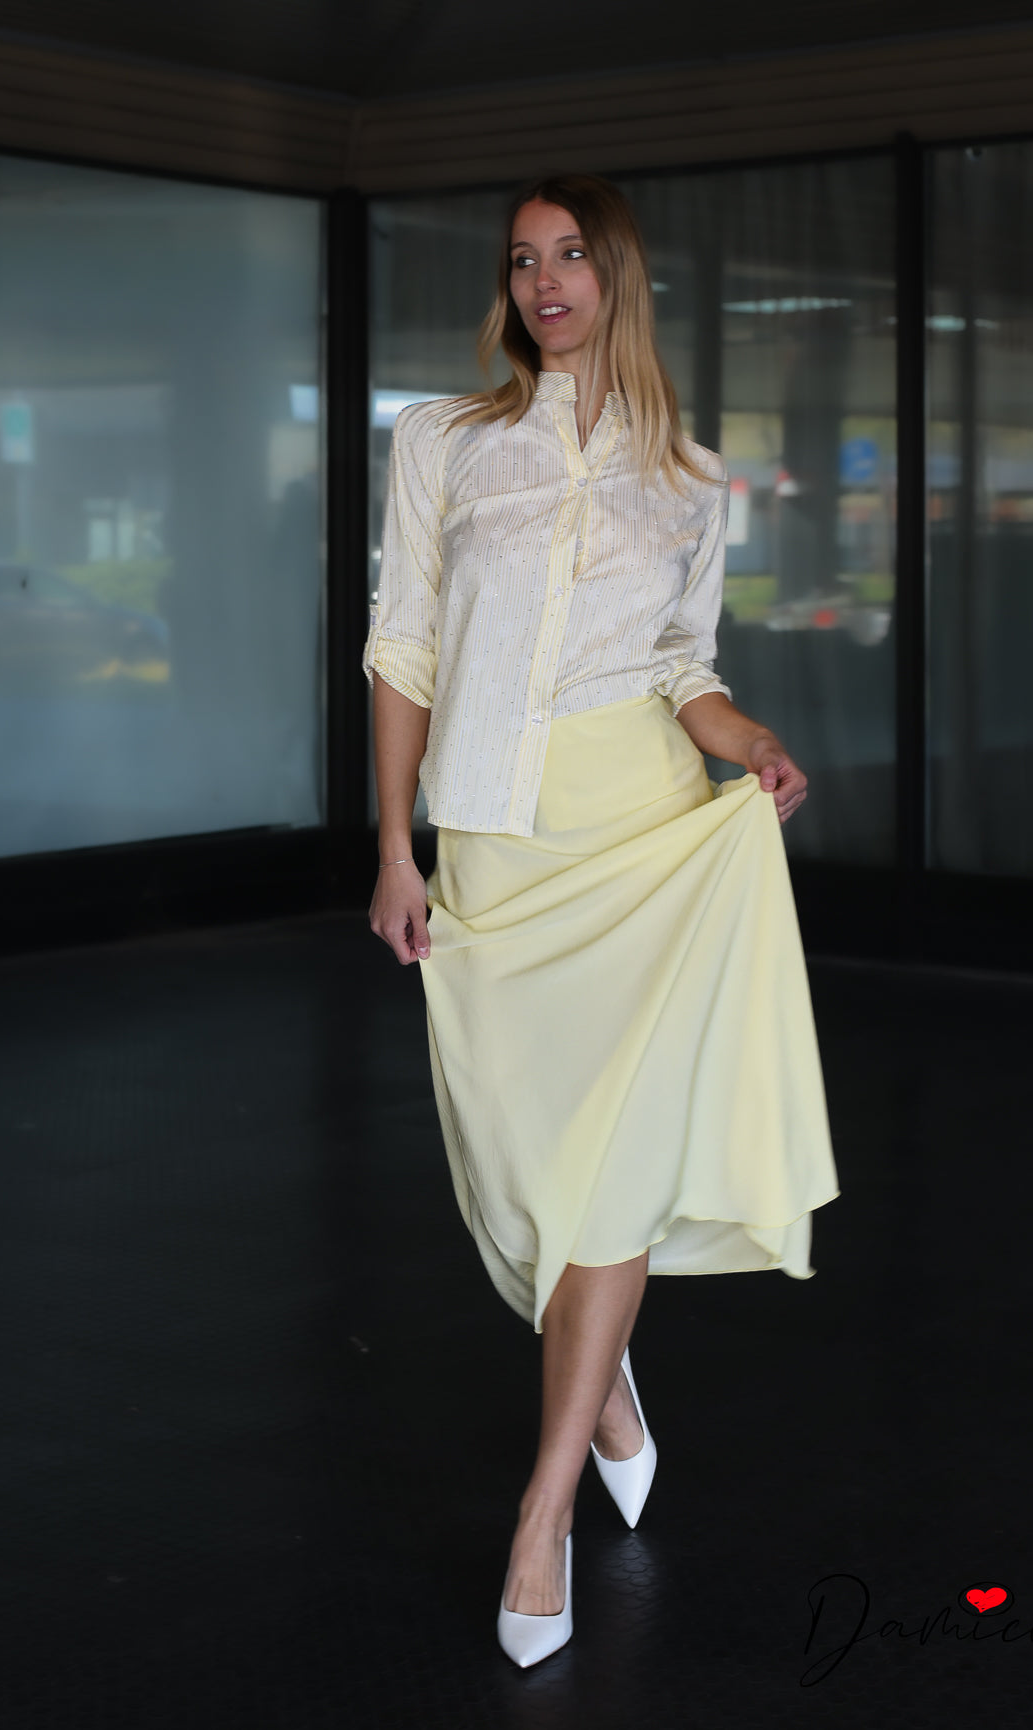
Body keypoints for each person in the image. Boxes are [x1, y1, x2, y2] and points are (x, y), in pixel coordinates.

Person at [364, 174, 839, 1668]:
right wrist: (393, 846)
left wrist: (752, 740)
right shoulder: (444, 440)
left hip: (642, 837)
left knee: (610, 1176)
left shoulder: (690, 472)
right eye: (523, 261)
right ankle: (608, 1381)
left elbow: (685, 667)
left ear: (617, 275)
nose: (545, 281)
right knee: (526, 1173)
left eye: (570, 255)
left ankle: (543, 1511)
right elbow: (405, 646)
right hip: (499, 848)